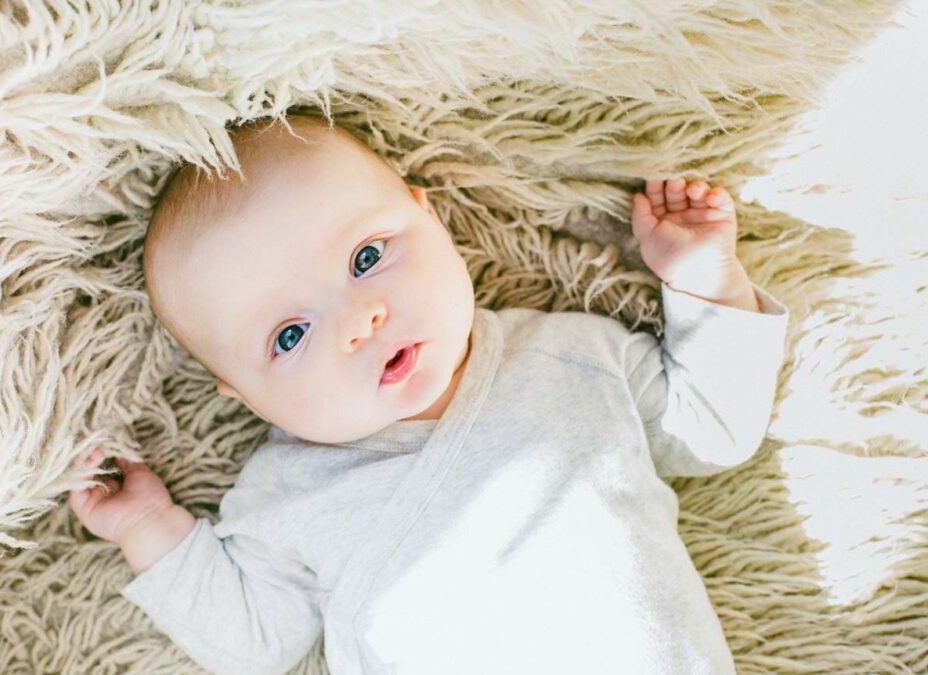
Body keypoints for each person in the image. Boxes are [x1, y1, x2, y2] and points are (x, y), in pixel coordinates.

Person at [68, 113, 790, 674]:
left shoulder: (571, 355)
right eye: (290, 335)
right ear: (248, 398)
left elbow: (710, 428)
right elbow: (254, 639)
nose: (360, 320)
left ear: (431, 217)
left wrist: (703, 280)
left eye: (368, 257)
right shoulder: (288, 495)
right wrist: (150, 528)